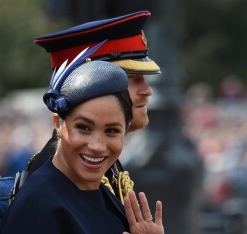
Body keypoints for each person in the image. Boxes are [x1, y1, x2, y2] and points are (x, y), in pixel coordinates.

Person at [0, 45, 166, 234]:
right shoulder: (42, 207)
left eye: (112, 131)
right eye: (84, 128)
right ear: (58, 123)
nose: (97, 146)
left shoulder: (100, 192)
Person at [15, 11, 160, 203]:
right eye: (132, 79)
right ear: (86, 86)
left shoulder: (95, 161)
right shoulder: (64, 171)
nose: (147, 90)